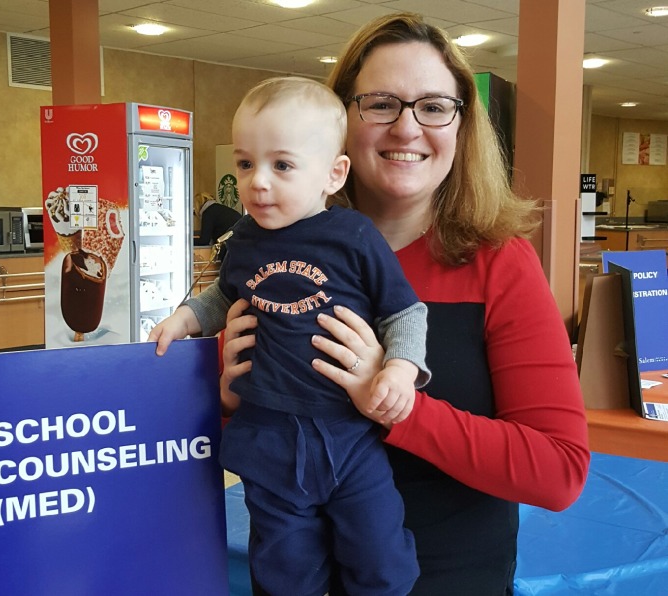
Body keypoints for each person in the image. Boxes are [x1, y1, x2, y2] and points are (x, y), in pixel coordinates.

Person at [219, 13, 591, 596]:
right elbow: (221, 428)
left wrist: (399, 407)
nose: (408, 128)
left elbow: (559, 471)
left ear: (461, 125)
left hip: (451, 579)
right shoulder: (264, 255)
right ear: (341, 123)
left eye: (434, 106)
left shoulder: (500, 265)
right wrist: (225, 397)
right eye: (382, 103)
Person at [150, 76, 432, 595]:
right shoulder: (245, 238)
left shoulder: (354, 237)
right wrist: (185, 318)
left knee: (381, 559)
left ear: (333, 173)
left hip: (349, 436)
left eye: (281, 165)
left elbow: (405, 312)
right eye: (245, 163)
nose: (258, 182)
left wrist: (401, 368)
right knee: (284, 569)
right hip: (270, 433)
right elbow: (221, 296)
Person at [193, 192, 242, 257]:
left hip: (230, 249)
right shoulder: (219, 209)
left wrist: (186, 240)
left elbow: (204, 241)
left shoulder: (208, 213)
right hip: (241, 245)